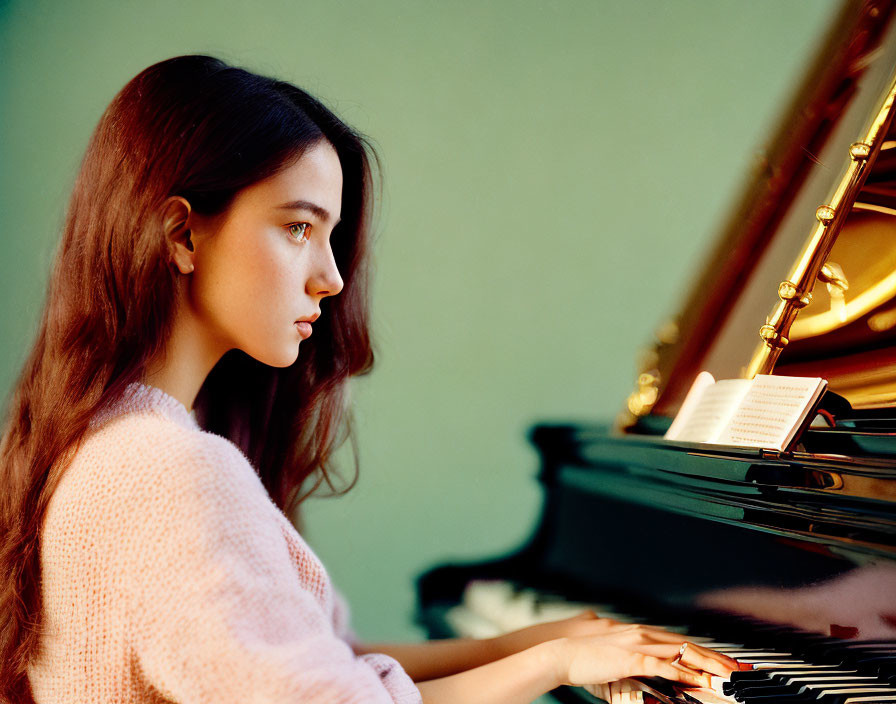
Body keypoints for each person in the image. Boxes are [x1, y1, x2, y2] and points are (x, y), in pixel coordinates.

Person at [0, 55, 738, 704]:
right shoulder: (168, 475)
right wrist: (555, 661)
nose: (330, 277)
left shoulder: (112, 441)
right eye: (297, 227)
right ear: (182, 234)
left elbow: (328, 664)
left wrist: (538, 641)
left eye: (330, 234)